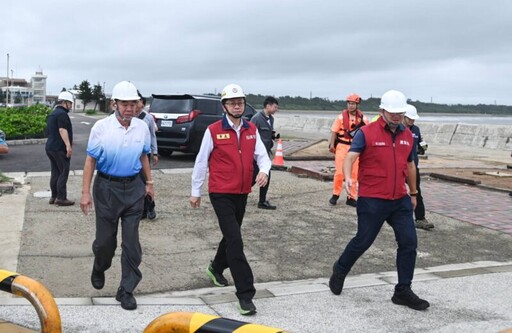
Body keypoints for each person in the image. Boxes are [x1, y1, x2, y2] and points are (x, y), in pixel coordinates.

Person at [329, 90, 430, 311]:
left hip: (399, 200)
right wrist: (347, 178)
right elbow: (351, 156)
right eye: (392, 112)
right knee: (363, 241)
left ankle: (403, 290)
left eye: (399, 112)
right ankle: (341, 268)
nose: (396, 116)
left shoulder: (407, 135)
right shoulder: (366, 132)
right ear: (382, 110)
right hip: (372, 199)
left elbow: (411, 165)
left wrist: (413, 194)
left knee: (409, 242)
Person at [189, 83, 271, 316]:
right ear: (224, 106)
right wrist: (196, 191)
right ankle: (245, 294)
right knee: (236, 240)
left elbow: (263, 157)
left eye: (240, 102)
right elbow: (201, 161)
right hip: (220, 193)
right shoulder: (213, 130)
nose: (237, 106)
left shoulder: (251, 129)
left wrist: (264, 171)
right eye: (233, 103)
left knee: (230, 234)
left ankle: (215, 268)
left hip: (242, 192)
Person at [80, 81, 154, 311]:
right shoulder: (101, 128)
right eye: (125, 103)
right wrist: (85, 193)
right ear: (115, 104)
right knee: (105, 243)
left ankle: (126, 290)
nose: (130, 108)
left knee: (132, 244)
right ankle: (100, 266)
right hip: (106, 188)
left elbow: (144, 156)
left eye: (133, 103)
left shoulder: (142, 127)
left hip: (133, 188)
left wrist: (149, 183)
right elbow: (90, 161)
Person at [328, 93, 368, 207]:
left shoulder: (363, 119)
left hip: (355, 148)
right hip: (341, 146)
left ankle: (351, 197)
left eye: (353, 104)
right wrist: (332, 145)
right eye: (349, 103)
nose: (351, 106)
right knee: (339, 172)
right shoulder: (340, 117)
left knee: (354, 173)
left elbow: (367, 133)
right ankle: (335, 194)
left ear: (357, 105)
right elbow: (334, 132)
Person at [403, 104, 434, 230]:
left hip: (413, 166)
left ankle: (420, 218)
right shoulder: (397, 129)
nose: (412, 121)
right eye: (410, 119)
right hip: (398, 166)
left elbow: (420, 142)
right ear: (404, 117)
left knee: (416, 192)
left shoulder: (415, 129)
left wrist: (423, 147)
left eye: (413, 119)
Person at [45, 91, 75, 206]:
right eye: (70, 103)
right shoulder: (62, 114)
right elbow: (62, 130)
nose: (71, 106)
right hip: (59, 148)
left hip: (50, 147)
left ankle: (53, 196)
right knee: (63, 171)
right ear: (64, 102)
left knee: (55, 172)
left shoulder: (53, 114)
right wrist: (68, 146)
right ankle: (61, 198)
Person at [250, 96, 279, 210]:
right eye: (275, 107)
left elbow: (268, 132)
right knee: (254, 177)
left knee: (264, 176)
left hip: (265, 152)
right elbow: (250, 134)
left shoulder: (271, 119)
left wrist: (272, 137)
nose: (276, 109)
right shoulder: (256, 118)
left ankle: (262, 201)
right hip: (256, 154)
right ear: (268, 106)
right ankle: (240, 194)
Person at [135, 90, 158, 220]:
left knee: (145, 181)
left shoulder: (148, 118)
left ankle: (150, 207)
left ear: (142, 103)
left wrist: (155, 152)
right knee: (136, 182)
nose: (136, 103)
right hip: (132, 154)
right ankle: (141, 209)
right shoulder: (128, 117)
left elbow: (153, 136)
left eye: (137, 101)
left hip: (145, 154)